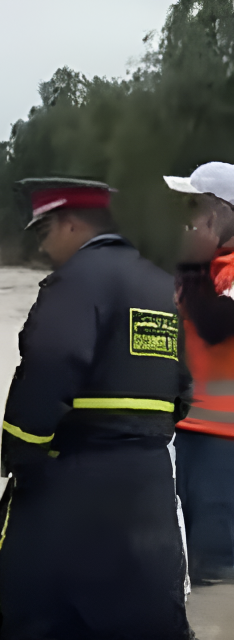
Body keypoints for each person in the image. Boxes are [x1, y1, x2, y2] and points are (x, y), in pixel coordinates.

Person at [0, 178, 193, 640]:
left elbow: (53, 359)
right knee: (140, 623)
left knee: (0, 617)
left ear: (70, 223)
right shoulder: (157, 283)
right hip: (149, 479)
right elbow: (181, 384)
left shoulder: (78, 280)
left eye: (45, 232)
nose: (43, 247)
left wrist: (22, 446)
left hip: (78, 465)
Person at [167, 162, 234, 583]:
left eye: (193, 207)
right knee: (181, 563)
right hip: (183, 431)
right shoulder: (201, 268)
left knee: (216, 570)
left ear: (218, 213)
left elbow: (216, 324)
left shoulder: (219, 270)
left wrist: (191, 266)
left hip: (224, 445)